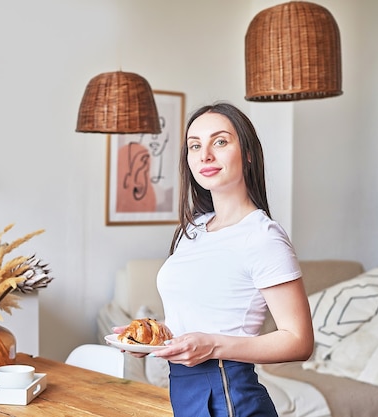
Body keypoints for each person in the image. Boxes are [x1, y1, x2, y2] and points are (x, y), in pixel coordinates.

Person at [130, 102, 314, 416]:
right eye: (195, 146)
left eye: (220, 141)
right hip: (183, 391)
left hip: (228, 394)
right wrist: (151, 336)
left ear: (248, 153)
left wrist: (212, 345)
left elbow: (299, 341)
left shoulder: (263, 236)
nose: (205, 155)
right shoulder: (194, 229)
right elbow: (196, 318)